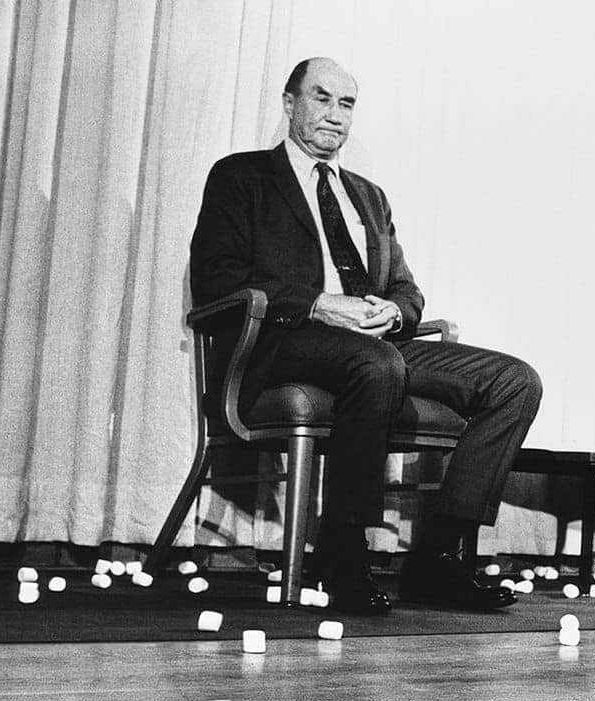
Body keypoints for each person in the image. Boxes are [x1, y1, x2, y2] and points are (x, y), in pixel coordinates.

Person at [190, 57, 542, 614]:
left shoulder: (369, 196)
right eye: (322, 98)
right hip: (283, 343)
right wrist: (320, 304)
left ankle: (439, 558)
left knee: (515, 381)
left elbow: (407, 289)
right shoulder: (242, 177)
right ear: (289, 104)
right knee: (376, 365)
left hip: (378, 345)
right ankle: (343, 554)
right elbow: (217, 277)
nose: (335, 115)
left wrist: (394, 313)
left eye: (347, 104)